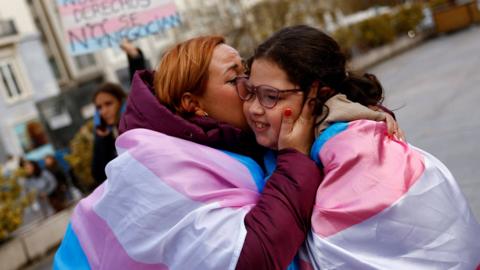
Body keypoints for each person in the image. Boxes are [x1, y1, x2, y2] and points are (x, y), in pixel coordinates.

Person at [54, 36, 396, 270]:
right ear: (193, 104)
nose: (251, 87)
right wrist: (294, 157)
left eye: (247, 71)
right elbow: (248, 259)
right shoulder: (159, 162)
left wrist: (367, 115)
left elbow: (312, 107)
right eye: (236, 80)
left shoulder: (227, 139)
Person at [241, 25, 480, 269]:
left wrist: (293, 159)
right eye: (249, 92)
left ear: (318, 94)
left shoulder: (358, 149)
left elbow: (334, 256)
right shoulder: (290, 145)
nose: (253, 108)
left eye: (271, 96)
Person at [90, 40, 147, 186]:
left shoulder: (135, 120)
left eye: (108, 104)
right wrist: (103, 140)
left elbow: (139, 88)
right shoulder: (104, 134)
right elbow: (99, 175)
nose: (104, 111)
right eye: (99, 107)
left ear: (120, 102)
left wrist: (134, 57)